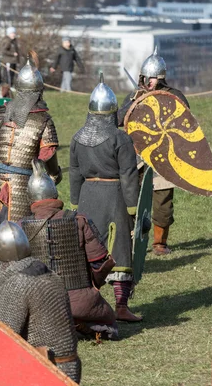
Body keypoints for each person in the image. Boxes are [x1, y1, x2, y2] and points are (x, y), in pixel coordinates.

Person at [19, 159, 118, 340]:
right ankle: (79, 324)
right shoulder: (79, 220)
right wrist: (95, 285)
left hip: (38, 305)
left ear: (31, 198)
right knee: (107, 322)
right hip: (82, 304)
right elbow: (99, 261)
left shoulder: (19, 228)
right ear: (54, 193)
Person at [70, 75, 141, 322]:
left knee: (90, 252)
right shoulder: (120, 138)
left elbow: (75, 173)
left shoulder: (78, 137)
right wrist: (134, 207)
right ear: (112, 110)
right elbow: (129, 174)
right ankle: (121, 307)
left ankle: (90, 305)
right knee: (120, 249)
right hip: (115, 197)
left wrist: (75, 204)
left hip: (88, 199)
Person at [117, 47, 190, 256]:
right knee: (132, 200)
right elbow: (118, 120)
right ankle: (130, 239)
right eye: (145, 78)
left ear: (161, 78)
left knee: (162, 203)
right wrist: (134, 103)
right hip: (137, 156)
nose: (148, 82)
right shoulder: (134, 95)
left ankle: (159, 242)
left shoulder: (175, 96)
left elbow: (185, 125)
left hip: (163, 157)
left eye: (152, 79)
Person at [0, 55, 61, 230]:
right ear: (39, 90)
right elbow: (48, 155)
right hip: (24, 182)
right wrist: (55, 174)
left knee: (3, 224)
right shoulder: (43, 120)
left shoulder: (0, 113)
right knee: (22, 228)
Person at [0, 220, 81, 383]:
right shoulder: (50, 275)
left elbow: (1, 341)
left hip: (43, 370)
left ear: (0, 261)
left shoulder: (17, 284)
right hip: (70, 368)